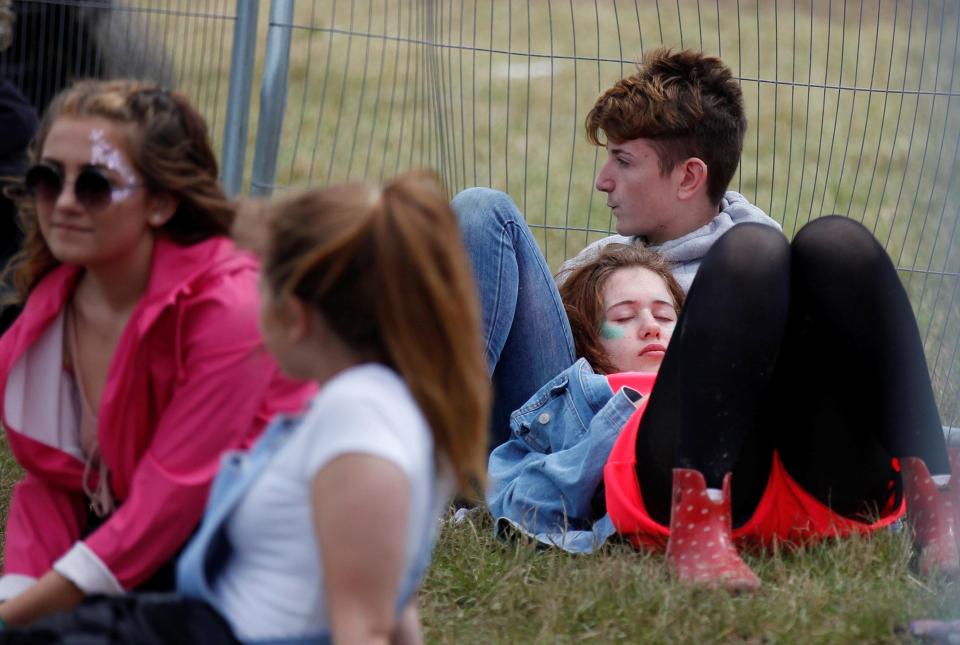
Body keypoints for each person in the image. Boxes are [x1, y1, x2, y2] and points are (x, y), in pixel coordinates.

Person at [0, 171, 490, 643]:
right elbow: (391, 607)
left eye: (258, 284)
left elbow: (365, 630)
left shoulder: (355, 416)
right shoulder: (389, 405)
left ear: (294, 316)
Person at [485, 219, 959, 591]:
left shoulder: (727, 345)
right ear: (588, 341)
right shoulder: (583, 399)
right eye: (624, 317)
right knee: (750, 249)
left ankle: (936, 506)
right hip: (681, 482)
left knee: (835, 243)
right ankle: (699, 530)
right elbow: (518, 490)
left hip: (813, 474)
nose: (650, 327)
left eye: (666, 314)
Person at [0, 79, 314, 626]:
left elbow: (171, 500)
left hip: (259, 562)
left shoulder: (229, 309)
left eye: (95, 185)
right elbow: (53, 484)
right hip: (153, 547)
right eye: (48, 180)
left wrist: (19, 617)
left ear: (162, 203)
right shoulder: (52, 309)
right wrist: (16, 601)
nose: (66, 203)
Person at [453, 47, 780, 450]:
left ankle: (416, 452)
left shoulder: (750, 281)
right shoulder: (606, 255)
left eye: (623, 162)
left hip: (634, 455)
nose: (603, 181)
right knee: (481, 210)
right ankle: (428, 434)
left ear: (689, 177)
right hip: (546, 425)